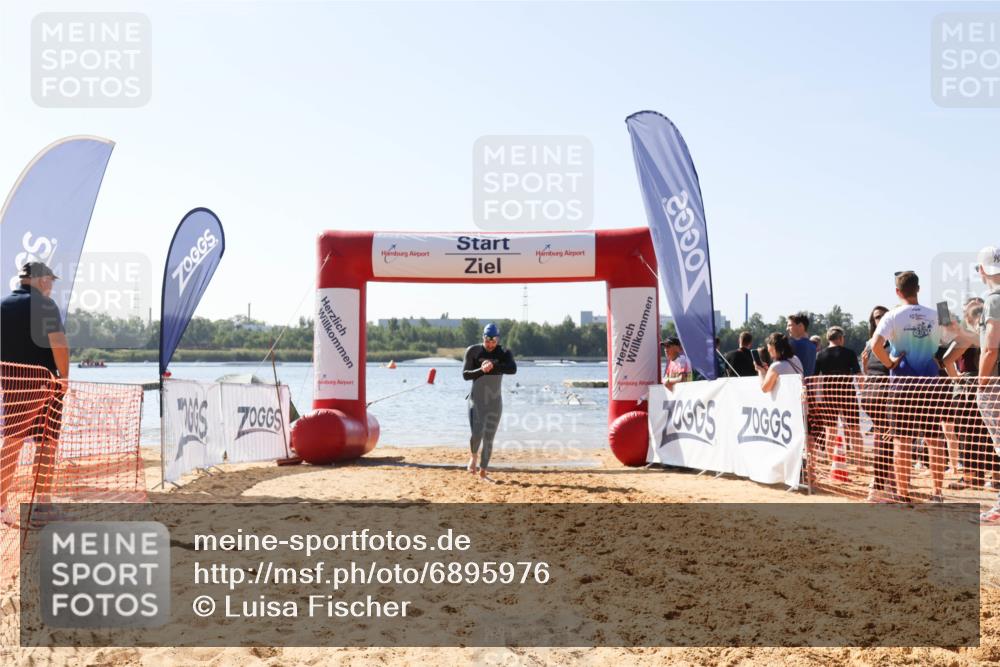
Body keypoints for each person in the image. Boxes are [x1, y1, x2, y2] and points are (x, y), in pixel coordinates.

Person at [870, 271, 977, 503]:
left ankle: (903, 494)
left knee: (902, 441)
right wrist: (946, 360)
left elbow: (876, 345)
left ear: (897, 292)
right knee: (934, 440)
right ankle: (937, 493)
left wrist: (889, 363)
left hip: (902, 385)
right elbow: (964, 337)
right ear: (918, 289)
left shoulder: (892, 315)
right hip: (931, 384)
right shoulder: (937, 313)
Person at [0, 262, 69, 527]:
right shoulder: (45, 306)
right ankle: (42, 506)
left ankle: (1, 505)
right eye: (50, 280)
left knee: (12, 443)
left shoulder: (3, 306)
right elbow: (59, 344)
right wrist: (64, 378)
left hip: (13, 383)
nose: (51, 286)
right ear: (41, 280)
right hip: (44, 384)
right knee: (46, 443)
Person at [462, 323, 516, 482]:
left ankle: (483, 472)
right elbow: (465, 375)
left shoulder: (504, 353)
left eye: (493, 341)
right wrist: (481, 370)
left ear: (498, 339)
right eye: (487, 341)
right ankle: (473, 456)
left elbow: (512, 369)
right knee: (477, 433)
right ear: (483, 338)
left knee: (489, 438)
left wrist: (494, 365)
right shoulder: (473, 351)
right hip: (476, 401)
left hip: (495, 402)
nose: (490, 344)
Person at [972, 246, 1000, 523]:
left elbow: (990, 348)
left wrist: (981, 384)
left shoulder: (993, 300)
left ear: (982, 270)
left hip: (995, 382)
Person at [859, 306, 895, 502]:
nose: (879, 319)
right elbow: (872, 371)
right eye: (876, 317)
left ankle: (885, 483)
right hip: (879, 395)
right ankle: (879, 486)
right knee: (887, 440)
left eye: (882, 316)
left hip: (875, 395)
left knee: (887, 439)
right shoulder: (874, 343)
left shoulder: (888, 340)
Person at [814, 326, 863, 464]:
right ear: (841, 338)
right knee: (855, 429)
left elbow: (815, 378)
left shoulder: (820, 355)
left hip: (829, 395)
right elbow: (859, 375)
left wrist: (815, 397)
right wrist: (863, 390)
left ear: (828, 339)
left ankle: (832, 463)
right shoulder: (849, 353)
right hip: (848, 394)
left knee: (830, 431)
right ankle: (860, 464)